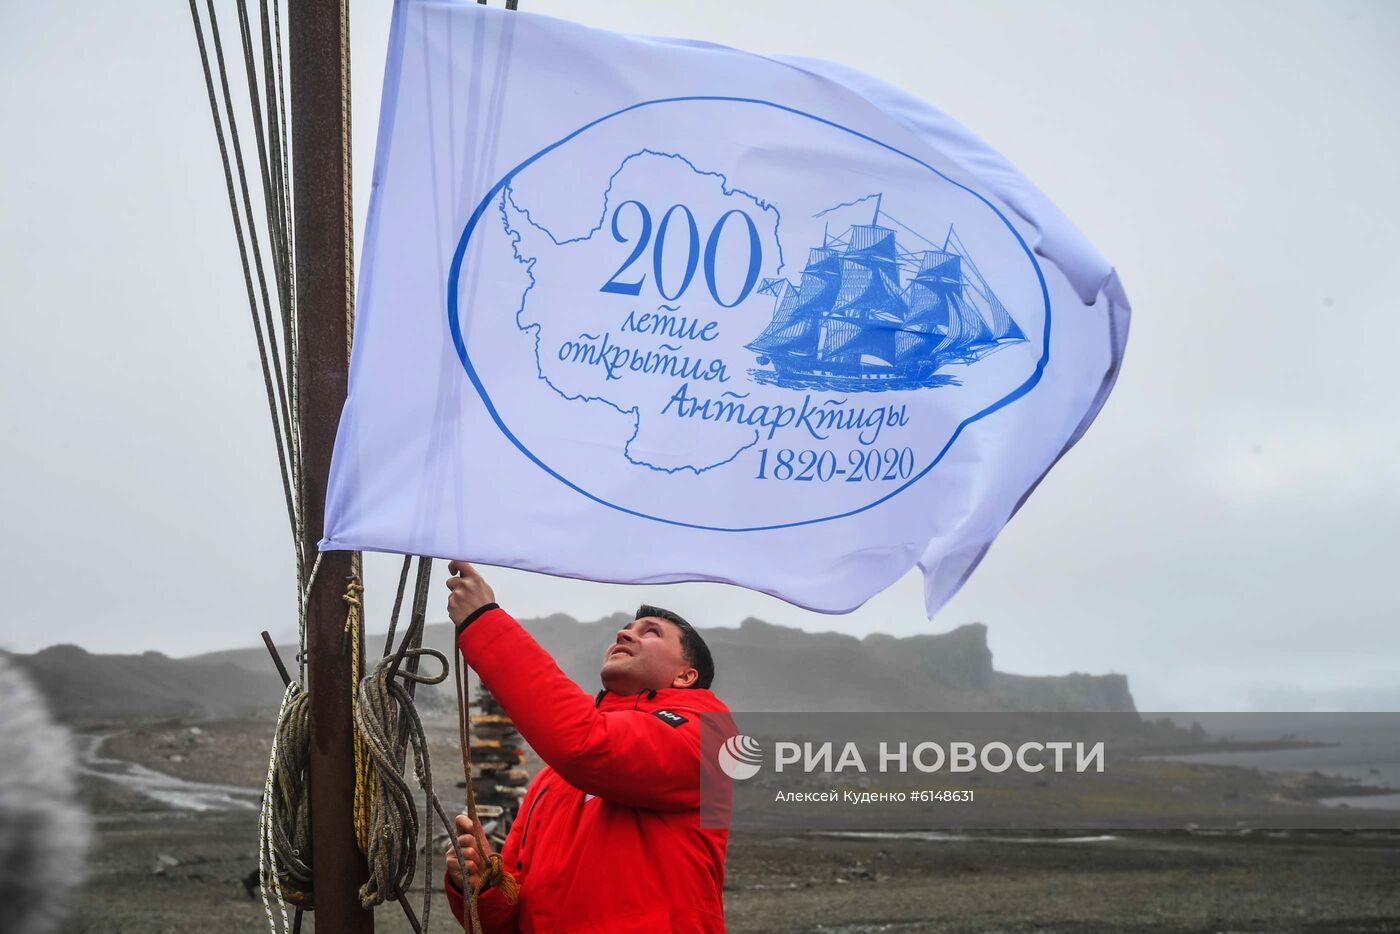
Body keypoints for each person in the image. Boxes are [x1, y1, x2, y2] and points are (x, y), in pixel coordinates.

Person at [442, 560, 731, 933]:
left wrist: (483, 621)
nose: (624, 634)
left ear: (686, 676)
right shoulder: (552, 781)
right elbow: (510, 920)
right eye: (625, 629)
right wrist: (483, 883)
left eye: (651, 632)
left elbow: (586, 743)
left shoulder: (709, 739)